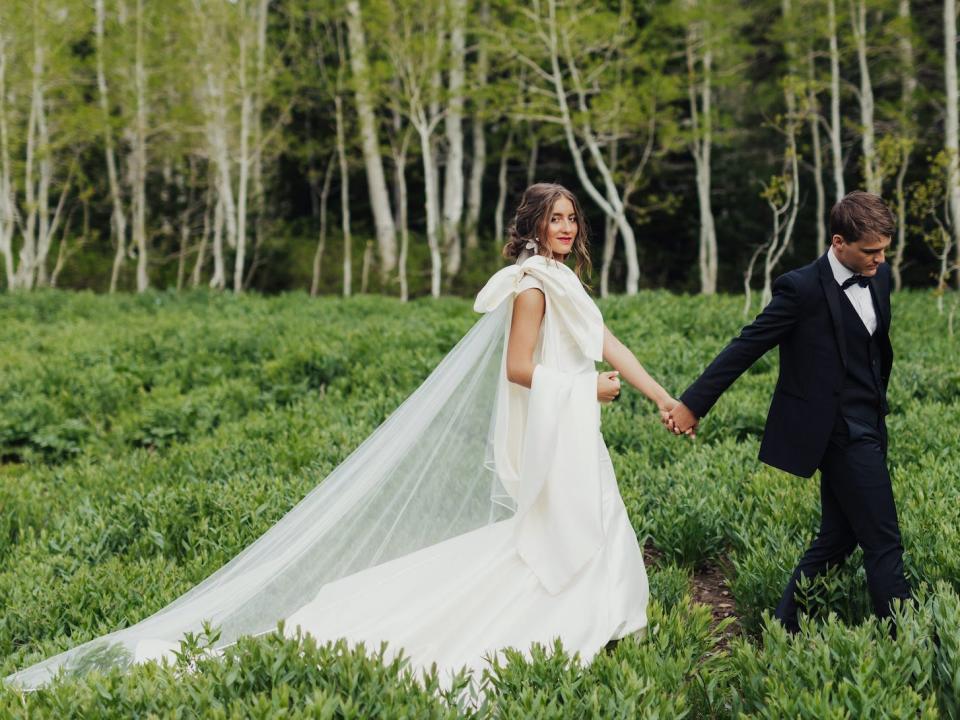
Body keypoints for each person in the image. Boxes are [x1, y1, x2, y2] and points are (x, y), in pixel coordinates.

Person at [5, 183, 675, 691]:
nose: (565, 227)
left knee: (595, 523)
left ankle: (608, 629)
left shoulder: (566, 282)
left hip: (574, 435)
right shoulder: (529, 289)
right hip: (560, 429)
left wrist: (664, 398)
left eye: (570, 219)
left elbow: (609, 345)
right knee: (557, 536)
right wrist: (586, 389)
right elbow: (520, 370)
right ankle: (569, 633)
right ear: (531, 228)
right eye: (553, 219)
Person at [667, 190, 913, 634]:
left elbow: (875, 353)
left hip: (871, 421)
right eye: (871, 251)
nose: (880, 259)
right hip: (836, 431)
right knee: (883, 540)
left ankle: (783, 627)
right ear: (839, 243)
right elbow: (746, 346)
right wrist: (691, 404)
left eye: (884, 250)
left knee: (838, 538)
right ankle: (906, 642)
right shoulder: (799, 289)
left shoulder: (880, 276)